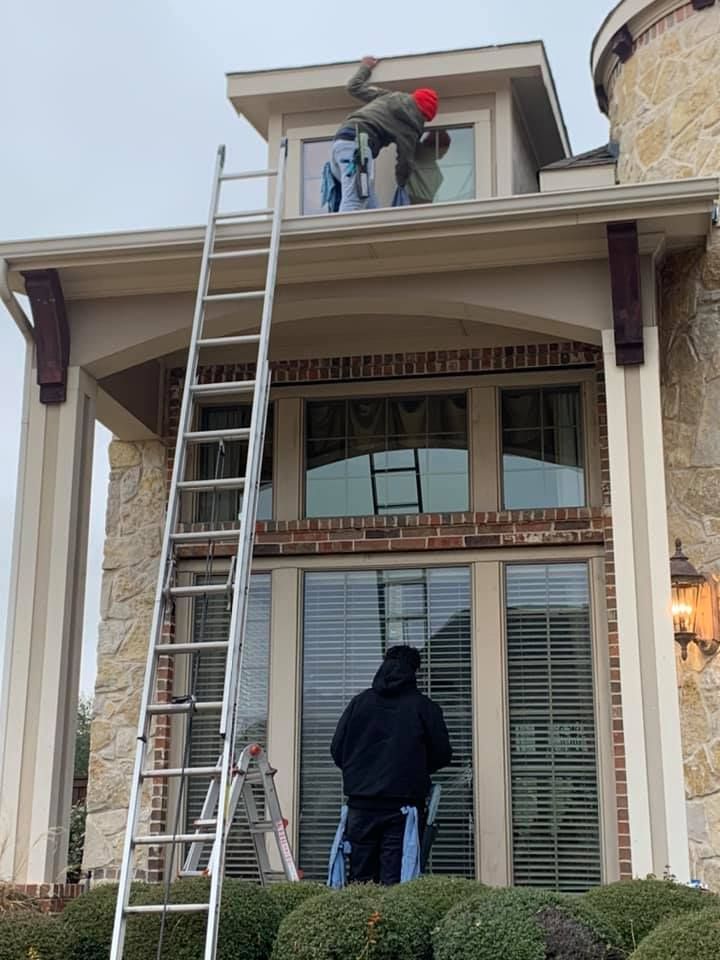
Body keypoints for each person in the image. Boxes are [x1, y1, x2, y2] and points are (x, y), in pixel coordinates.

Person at [330, 644, 452, 885]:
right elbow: (442, 754)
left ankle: (362, 921)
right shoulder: (424, 708)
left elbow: (337, 749)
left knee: (360, 880)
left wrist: (361, 772)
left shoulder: (359, 703)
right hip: (403, 808)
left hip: (360, 806)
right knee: (396, 880)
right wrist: (412, 768)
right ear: (414, 671)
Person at [330, 57, 439, 212]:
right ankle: (343, 236)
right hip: (358, 148)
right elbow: (405, 162)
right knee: (355, 200)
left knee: (370, 207)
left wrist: (365, 67)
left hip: (339, 144)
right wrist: (403, 184)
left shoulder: (390, 97)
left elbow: (353, 87)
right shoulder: (411, 126)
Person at [407, 129, 451, 205]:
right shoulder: (411, 149)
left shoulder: (438, 175)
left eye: (445, 151)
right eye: (443, 151)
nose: (443, 154)